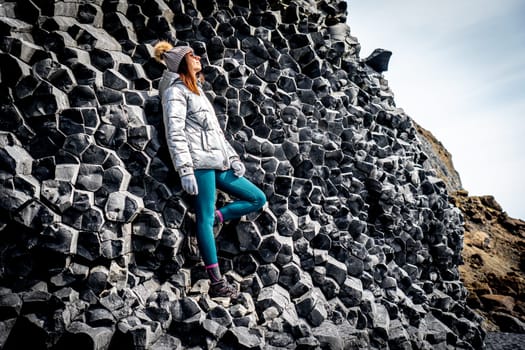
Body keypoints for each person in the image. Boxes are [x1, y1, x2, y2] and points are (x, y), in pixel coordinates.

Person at [153, 41, 267, 298]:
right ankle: (217, 283)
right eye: (192, 55)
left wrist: (233, 158)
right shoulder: (175, 92)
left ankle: (216, 219)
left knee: (257, 198)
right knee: (202, 218)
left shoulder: (197, 91)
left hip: (218, 162)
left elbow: (216, 134)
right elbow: (175, 132)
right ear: (182, 63)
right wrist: (185, 170)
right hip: (199, 165)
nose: (198, 57)